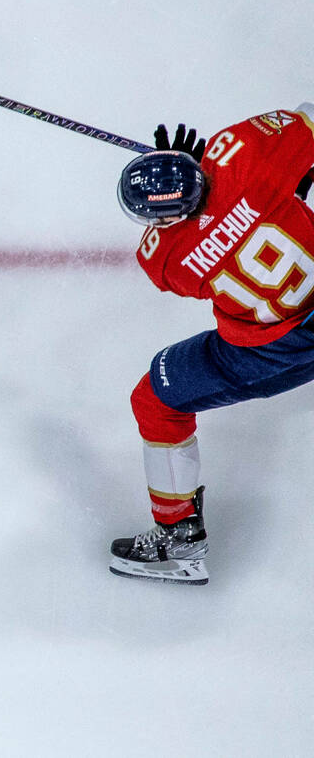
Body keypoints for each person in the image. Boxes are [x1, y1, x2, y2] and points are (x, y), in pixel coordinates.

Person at [110, 110, 314, 584]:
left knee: (157, 399)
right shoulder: (245, 155)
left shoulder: (164, 261)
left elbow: (204, 236)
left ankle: (177, 539)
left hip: (272, 351)